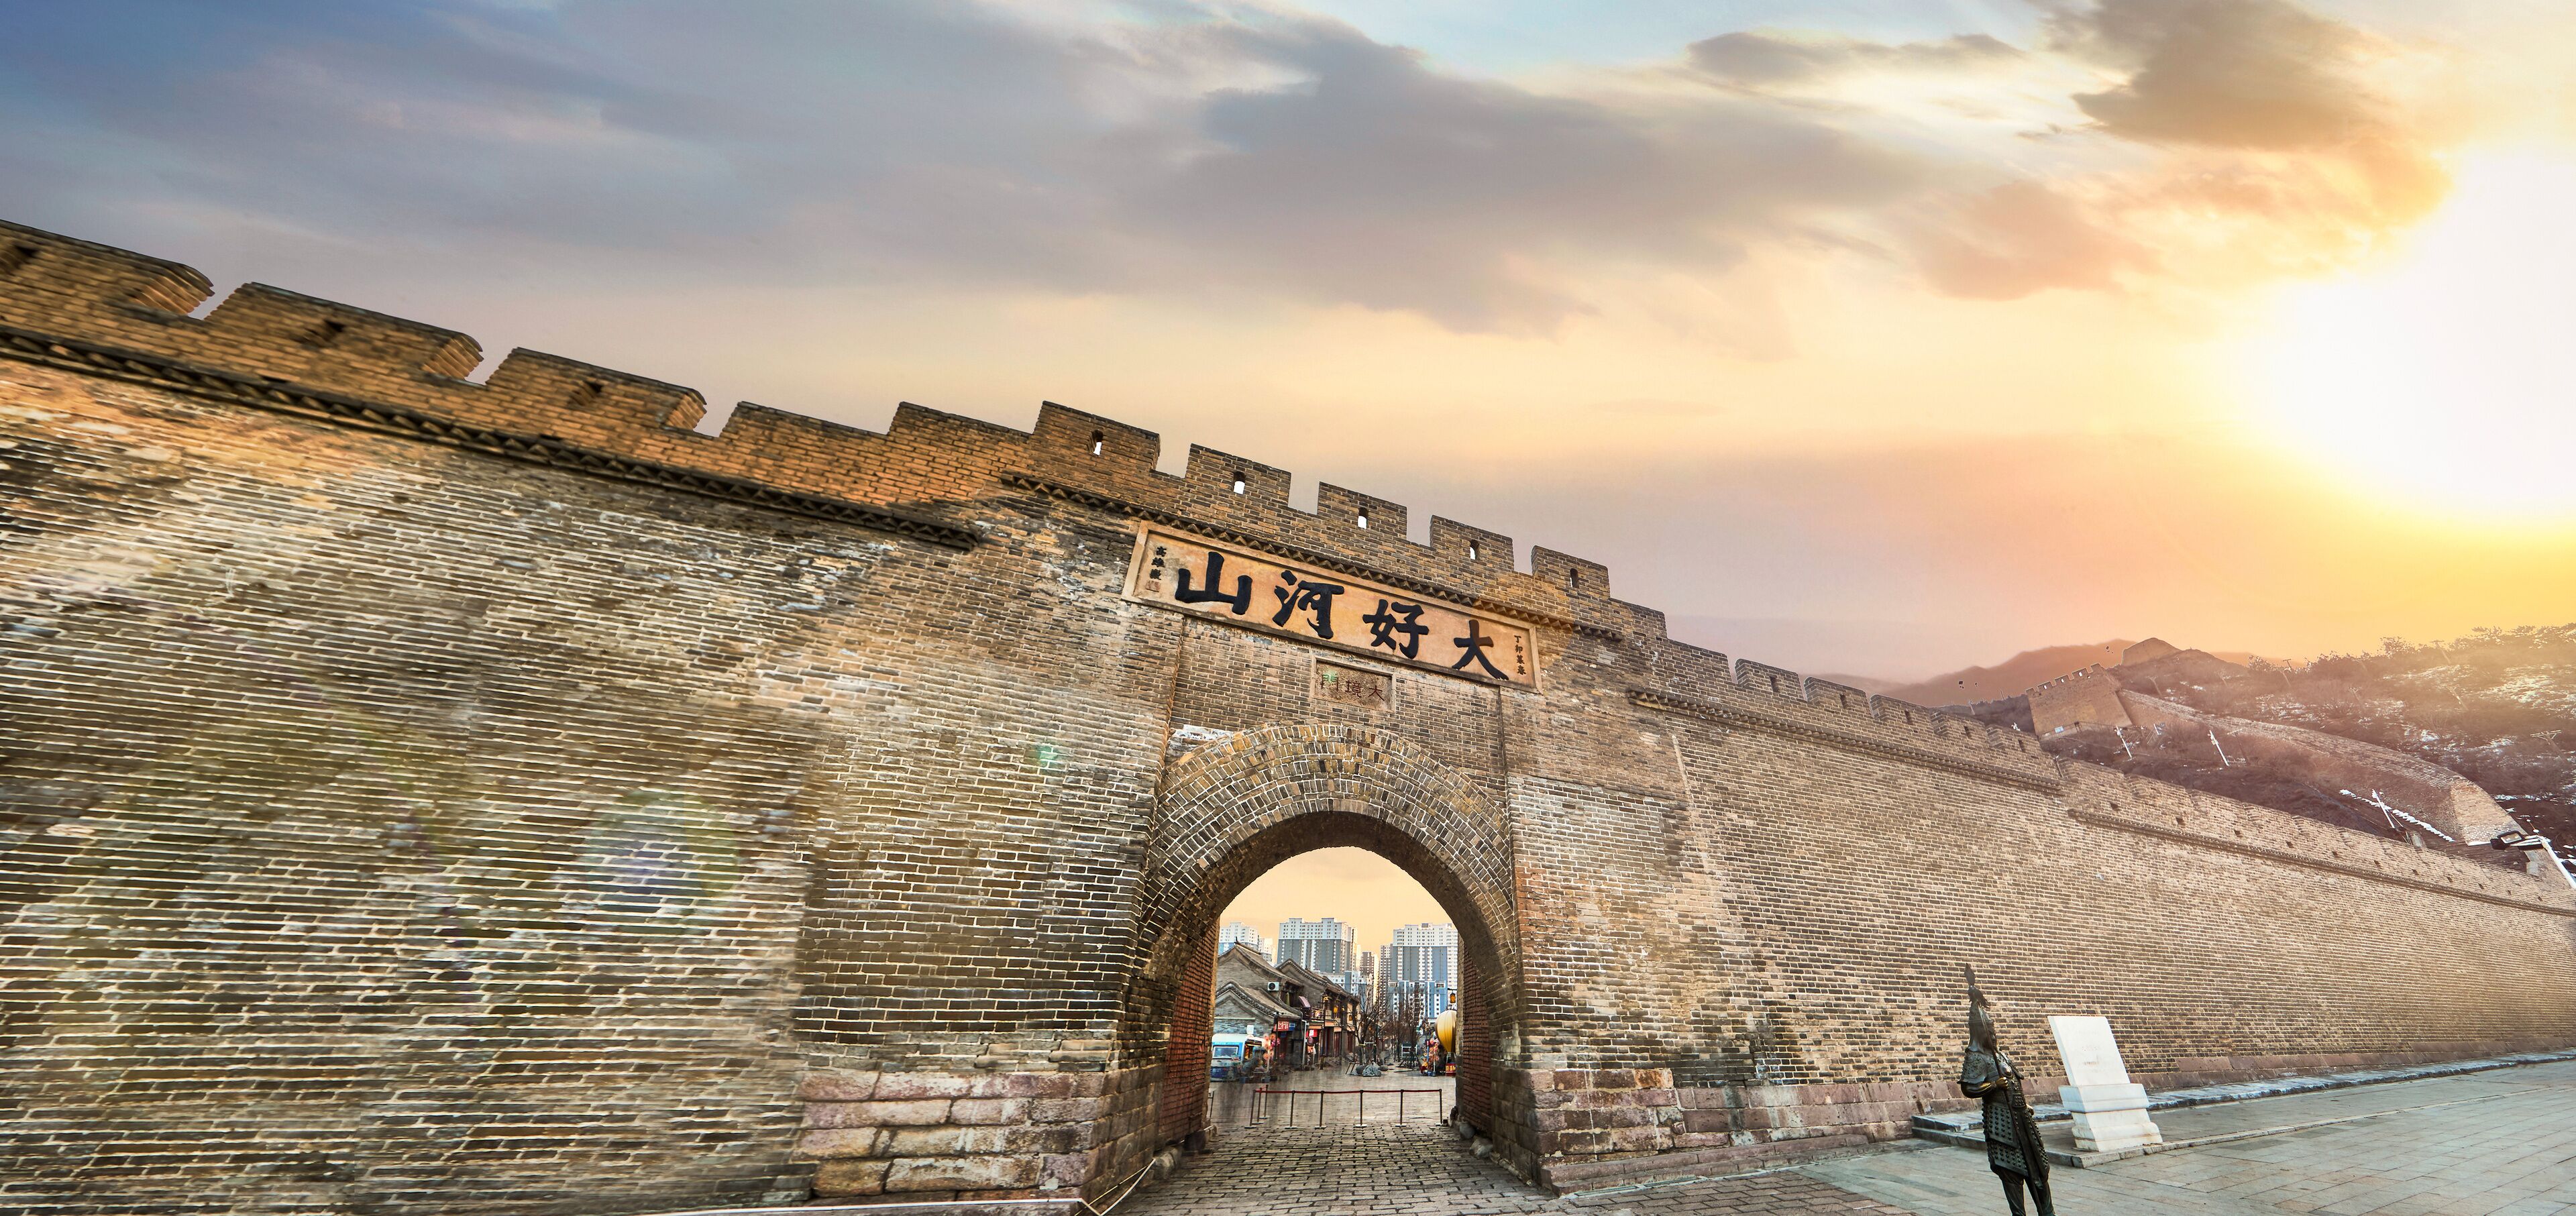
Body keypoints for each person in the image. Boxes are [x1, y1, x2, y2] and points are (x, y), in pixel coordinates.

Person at [1958, 967, 2055, 1216]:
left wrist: (2024, 1104)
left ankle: (2048, 1213)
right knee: (2011, 1172)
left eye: (1993, 1032)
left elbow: (2014, 1083)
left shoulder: (2000, 1055)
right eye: (1988, 1032)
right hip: (2002, 1122)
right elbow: (1969, 1088)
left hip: (2022, 1118)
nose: (1992, 1036)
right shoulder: (1976, 1057)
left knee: (2039, 1170)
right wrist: (1994, 1086)